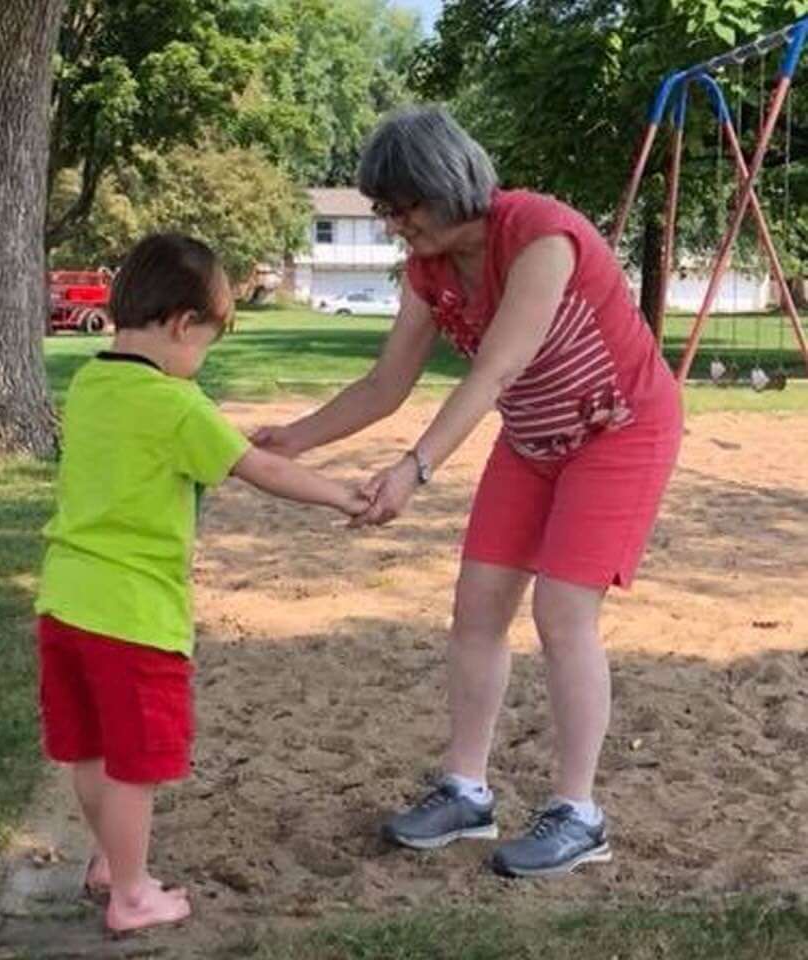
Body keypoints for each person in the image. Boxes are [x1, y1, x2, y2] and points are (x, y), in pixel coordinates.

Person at [253, 106, 683, 878]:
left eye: (402, 206)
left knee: (562, 610)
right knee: (477, 604)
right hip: (533, 441)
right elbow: (386, 384)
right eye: (385, 210)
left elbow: (497, 370)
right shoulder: (427, 269)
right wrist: (294, 439)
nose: (393, 224)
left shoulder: (540, 235)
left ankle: (579, 814)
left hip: (621, 430)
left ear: (446, 186)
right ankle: (465, 790)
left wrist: (415, 471)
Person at [35, 233, 369, 934]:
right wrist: (342, 495)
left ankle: (107, 862)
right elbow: (263, 470)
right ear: (183, 324)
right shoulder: (178, 405)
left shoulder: (90, 383)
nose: (200, 363)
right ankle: (132, 895)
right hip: (134, 617)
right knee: (136, 765)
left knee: (90, 750)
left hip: (64, 604)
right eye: (205, 346)